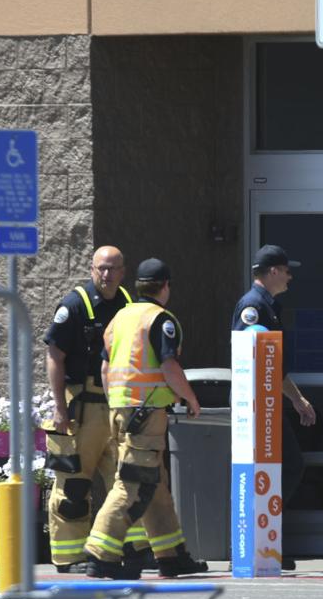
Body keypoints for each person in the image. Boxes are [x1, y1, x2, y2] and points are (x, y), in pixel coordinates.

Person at [84, 258, 209, 579]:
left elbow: (105, 367)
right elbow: (169, 366)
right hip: (146, 413)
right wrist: (190, 397)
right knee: (134, 484)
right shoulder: (159, 319)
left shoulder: (120, 318)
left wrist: (117, 404)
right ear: (165, 286)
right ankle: (100, 554)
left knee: (155, 484)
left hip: (121, 412)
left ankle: (171, 555)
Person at [42, 245, 148, 573]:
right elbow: (54, 356)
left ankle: (133, 549)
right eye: (101, 267)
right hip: (81, 411)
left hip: (117, 407)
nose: (106, 274)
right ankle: (70, 557)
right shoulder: (74, 305)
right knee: (73, 487)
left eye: (113, 268)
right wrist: (60, 409)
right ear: (91, 269)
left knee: (129, 482)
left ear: (123, 272)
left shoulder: (129, 304)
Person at [231, 244, 317, 571]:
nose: (290, 277)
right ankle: (259, 539)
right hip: (256, 405)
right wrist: (294, 399)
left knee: (282, 468)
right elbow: (251, 357)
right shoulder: (253, 307)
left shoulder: (268, 305)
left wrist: (296, 399)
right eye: (287, 271)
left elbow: (274, 367)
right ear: (273, 271)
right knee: (286, 466)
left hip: (267, 402)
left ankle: (266, 539)